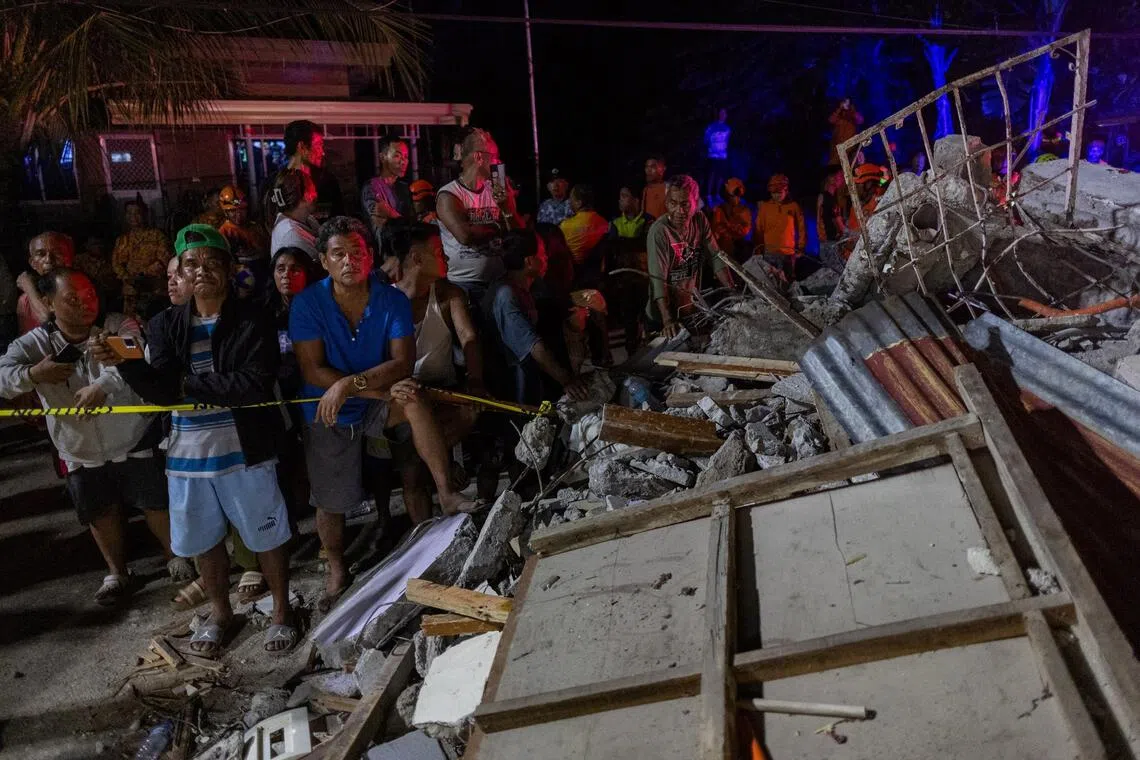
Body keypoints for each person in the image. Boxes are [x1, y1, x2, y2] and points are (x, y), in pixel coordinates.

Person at [96, 224, 296, 655]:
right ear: (181, 275)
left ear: (228, 269)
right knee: (204, 541)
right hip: (187, 455)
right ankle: (222, 613)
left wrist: (186, 385)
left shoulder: (253, 317)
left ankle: (281, 611)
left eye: (211, 262)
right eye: (191, 264)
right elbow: (162, 390)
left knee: (267, 534)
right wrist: (127, 363)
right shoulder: (165, 324)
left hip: (247, 450)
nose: (201, 270)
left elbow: (254, 384)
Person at [289, 216, 476, 610]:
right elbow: (312, 369)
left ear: (370, 256)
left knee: (411, 397)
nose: (349, 262)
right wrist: (348, 387)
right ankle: (337, 566)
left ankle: (445, 492)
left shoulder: (390, 299)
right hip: (329, 406)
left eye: (357, 252)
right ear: (323, 260)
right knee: (331, 499)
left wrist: (353, 385)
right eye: (338, 254)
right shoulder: (308, 303)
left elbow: (402, 362)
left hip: (370, 395)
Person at [0, 268, 182, 605]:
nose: (85, 305)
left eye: (90, 296)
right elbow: (3, 376)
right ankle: (117, 573)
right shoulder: (35, 344)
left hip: (132, 435)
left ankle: (176, 558)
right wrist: (33, 374)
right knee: (99, 510)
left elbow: (135, 358)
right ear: (49, 303)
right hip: (79, 446)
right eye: (73, 299)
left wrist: (102, 385)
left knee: (154, 501)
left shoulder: (116, 326)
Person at [387, 225, 484, 521]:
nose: (446, 258)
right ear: (416, 258)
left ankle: (442, 475)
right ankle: (424, 535)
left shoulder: (448, 293)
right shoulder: (385, 300)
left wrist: (476, 381)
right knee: (412, 474)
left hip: (443, 389)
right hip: (402, 393)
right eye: (439, 253)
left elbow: (468, 338)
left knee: (470, 410)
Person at [482, 231, 588, 405]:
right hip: (512, 382)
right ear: (529, 261)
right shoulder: (506, 295)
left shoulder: (527, 287)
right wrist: (567, 381)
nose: (546, 257)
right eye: (543, 253)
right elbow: (533, 345)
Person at [436, 128, 522, 304]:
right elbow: (465, 236)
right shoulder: (449, 195)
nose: (498, 162)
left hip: (498, 279)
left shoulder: (497, 189)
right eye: (495, 156)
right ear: (479, 157)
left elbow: (519, 234)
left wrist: (507, 207)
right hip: (463, 285)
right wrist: (498, 227)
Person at [646, 175, 734, 338]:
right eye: (673, 203)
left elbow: (715, 257)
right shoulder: (659, 231)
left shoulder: (700, 220)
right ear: (666, 203)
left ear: (695, 203)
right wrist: (667, 320)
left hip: (690, 309)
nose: (679, 211)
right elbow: (658, 279)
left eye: (685, 204)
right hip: (663, 315)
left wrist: (733, 293)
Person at [607, 186, 654, 353]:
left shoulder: (648, 221)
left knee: (648, 318)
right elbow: (613, 247)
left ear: (636, 200)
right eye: (620, 196)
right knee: (628, 319)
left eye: (625, 196)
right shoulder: (615, 222)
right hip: (624, 280)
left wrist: (623, 242)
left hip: (644, 278)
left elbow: (644, 244)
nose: (621, 200)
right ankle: (631, 355)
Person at [112, 199, 171, 318]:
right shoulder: (123, 239)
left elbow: (164, 260)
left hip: (155, 290)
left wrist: (143, 274)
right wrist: (127, 278)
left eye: (137, 213)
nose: (133, 217)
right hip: (131, 292)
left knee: (159, 321)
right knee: (132, 326)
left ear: (144, 214)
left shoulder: (157, 235)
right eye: (129, 213)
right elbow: (116, 263)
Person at [217, 185, 270, 298]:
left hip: (263, 269)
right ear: (225, 212)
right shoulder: (225, 231)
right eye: (233, 211)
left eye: (242, 209)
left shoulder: (254, 227)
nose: (238, 214)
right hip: (244, 275)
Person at [283, 119, 342, 222]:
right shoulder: (276, 183)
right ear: (301, 147)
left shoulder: (328, 181)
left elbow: (339, 218)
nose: (322, 152)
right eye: (318, 145)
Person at [18, 232, 76, 336]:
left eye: (57, 252)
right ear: (33, 263)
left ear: (70, 258)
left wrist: (28, 286)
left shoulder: (81, 290)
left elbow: (47, 319)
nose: (49, 260)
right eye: (41, 254)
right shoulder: (25, 300)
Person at [362, 136, 413, 245]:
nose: (403, 161)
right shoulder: (372, 186)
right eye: (397, 156)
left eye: (406, 156)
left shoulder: (404, 188)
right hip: (384, 248)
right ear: (382, 157)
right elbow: (379, 215)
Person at [755, 174, 807, 281]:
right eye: (773, 192)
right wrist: (758, 248)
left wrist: (801, 246)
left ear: (786, 190)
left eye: (779, 192)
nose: (776, 195)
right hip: (769, 253)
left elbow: (802, 228)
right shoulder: (765, 207)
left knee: (788, 283)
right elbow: (758, 229)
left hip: (788, 254)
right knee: (771, 283)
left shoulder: (794, 206)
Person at [270, 169, 321, 261]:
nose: (316, 193)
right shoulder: (291, 235)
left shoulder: (308, 219)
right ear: (306, 196)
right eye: (312, 188)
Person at [559, 185, 609, 267]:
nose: (569, 201)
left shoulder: (565, 225)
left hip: (574, 273)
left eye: (571, 199)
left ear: (579, 203)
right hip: (596, 273)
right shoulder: (604, 223)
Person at [712, 177, 753, 262]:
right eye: (731, 196)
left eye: (737, 196)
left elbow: (744, 231)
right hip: (721, 253)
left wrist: (729, 227)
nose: (735, 199)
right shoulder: (719, 209)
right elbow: (716, 230)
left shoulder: (744, 210)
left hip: (737, 254)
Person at [817, 167, 849, 273]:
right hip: (828, 243)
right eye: (840, 176)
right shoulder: (825, 198)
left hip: (829, 242)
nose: (842, 179)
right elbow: (821, 220)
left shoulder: (831, 198)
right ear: (831, 178)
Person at [704, 108, 732, 205]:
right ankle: (708, 195)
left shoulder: (728, 128)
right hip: (712, 156)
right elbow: (706, 140)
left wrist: (724, 151)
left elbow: (727, 142)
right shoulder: (711, 127)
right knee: (711, 175)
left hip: (723, 156)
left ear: (726, 115)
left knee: (720, 176)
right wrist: (711, 149)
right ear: (717, 114)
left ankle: (717, 194)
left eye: (724, 113)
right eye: (721, 113)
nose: (722, 115)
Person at [829, 98, 865, 164]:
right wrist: (840, 108)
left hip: (851, 145)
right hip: (838, 145)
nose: (846, 104)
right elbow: (831, 120)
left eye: (847, 102)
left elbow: (860, 120)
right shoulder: (839, 114)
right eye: (844, 102)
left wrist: (851, 110)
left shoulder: (852, 114)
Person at [641, 155, 668, 220]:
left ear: (663, 169)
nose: (648, 170)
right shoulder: (645, 190)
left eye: (653, 166)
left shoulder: (668, 189)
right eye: (646, 166)